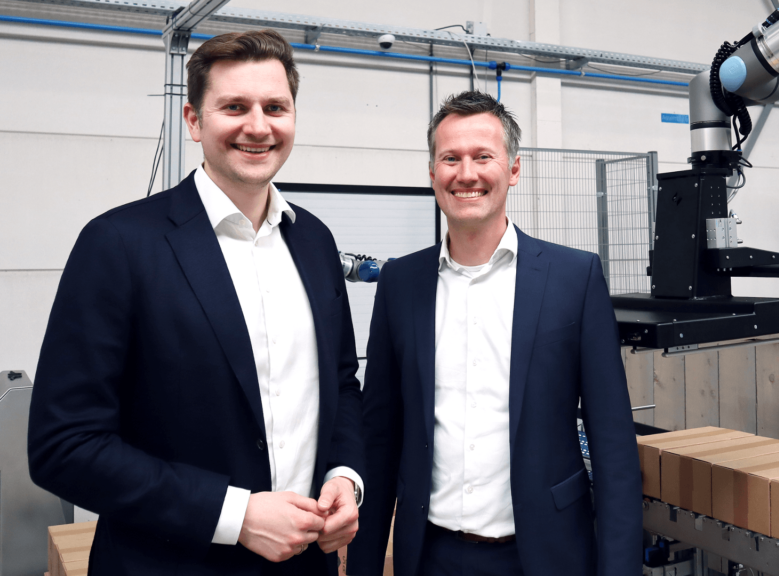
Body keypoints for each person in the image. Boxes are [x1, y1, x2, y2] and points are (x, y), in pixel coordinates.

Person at [28, 30, 365, 575]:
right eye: (234, 107)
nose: (258, 126)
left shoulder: (315, 242)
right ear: (193, 120)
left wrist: (344, 476)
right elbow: (64, 446)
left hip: (306, 563)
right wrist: (235, 515)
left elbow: (343, 383)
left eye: (275, 107)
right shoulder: (119, 244)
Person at [348, 91, 641, 576]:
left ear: (513, 169)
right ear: (432, 172)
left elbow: (613, 445)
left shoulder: (574, 278)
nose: (466, 174)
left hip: (547, 556)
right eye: (450, 159)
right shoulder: (401, 283)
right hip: (431, 557)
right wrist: (363, 565)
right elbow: (379, 436)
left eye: (483, 156)